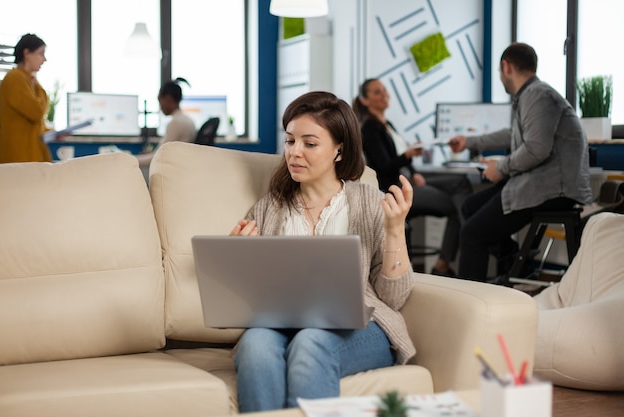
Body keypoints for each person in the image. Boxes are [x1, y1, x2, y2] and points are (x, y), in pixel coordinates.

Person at [230, 91, 417, 412]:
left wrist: (394, 229)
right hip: (279, 323)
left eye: (309, 143)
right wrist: (238, 257)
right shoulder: (269, 208)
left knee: (311, 341)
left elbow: (393, 298)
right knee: (255, 346)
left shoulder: (370, 201)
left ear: (339, 151)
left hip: (358, 327)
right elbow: (244, 298)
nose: (294, 152)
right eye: (289, 141)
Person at [448, 42, 593, 282]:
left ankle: (470, 300)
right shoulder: (532, 95)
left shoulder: (537, 95)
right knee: (470, 206)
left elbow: (536, 150)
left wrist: (501, 168)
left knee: (471, 233)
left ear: (506, 66)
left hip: (552, 189)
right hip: (543, 184)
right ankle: (515, 265)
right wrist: (470, 142)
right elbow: (512, 135)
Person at [353, 78, 473, 277]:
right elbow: (383, 167)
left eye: (384, 90)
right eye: (376, 92)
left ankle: (452, 252)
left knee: (460, 183)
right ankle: (445, 262)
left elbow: (400, 158)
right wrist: (407, 155)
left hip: (407, 178)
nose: (384, 94)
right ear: (365, 100)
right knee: (458, 204)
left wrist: (414, 171)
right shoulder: (369, 128)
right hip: (394, 188)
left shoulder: (387, 124)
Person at [0, 33, 52, 163]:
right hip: (19, 157)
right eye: (41, 53)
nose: (44, 59)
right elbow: (36, 112)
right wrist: (39, 89)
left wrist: (52, 133)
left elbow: (33, 124)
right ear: (27, 53)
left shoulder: (27, 80)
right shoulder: (15, 78)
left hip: (27, 155)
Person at [136, 77, 196, 168]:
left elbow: (159, 158)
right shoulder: (187, 120)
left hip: (170, 172)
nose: (160, 107)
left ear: (168, 99)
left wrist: (132, 159)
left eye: (160, 102)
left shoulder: (176, 123)